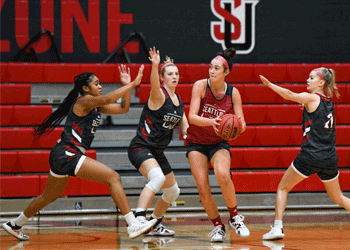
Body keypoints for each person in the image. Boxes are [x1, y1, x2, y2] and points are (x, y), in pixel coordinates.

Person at [2, 65, 157, 241]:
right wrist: (133, 84)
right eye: (96, 83)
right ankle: (132, 223)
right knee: (113, 178)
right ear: (85, 88)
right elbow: (107, 99)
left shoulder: (96, 105)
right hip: (68, 152)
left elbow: (123, 108)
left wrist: (127, 86)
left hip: (62, 153)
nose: (100, 86)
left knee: (49, 196)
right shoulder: (84, 101)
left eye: (100, 84)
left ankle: (15, 224)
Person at [260, 67, 350, 240]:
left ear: (321, 82)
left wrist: (270, 85)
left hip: (311, 155)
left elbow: (289, 94)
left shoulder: (311, 98)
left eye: (311, 78)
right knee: (338, 197)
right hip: (329, 157)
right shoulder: (328, 100)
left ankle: (277, 227)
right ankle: (277, 227)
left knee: (283, 188)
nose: (307, 80)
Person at [185, 48, 250, 243]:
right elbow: (192, 117)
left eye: (216, 68)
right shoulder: (200, 86)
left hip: (218, 142)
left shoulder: (233, 92)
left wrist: (238, 127)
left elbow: (242, 122)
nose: (211, 71)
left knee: (223, 175)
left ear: (226, 72)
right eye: (210, 67)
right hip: (196, 141)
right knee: (203, 186)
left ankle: (235, 217)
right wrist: (212, 122)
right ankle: (217, 226)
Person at [128, 47, 189, 236]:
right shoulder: (159, 94)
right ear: (163, 77)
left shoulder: (178, 100)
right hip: (141, 146)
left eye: (176, 73)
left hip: (157, 152)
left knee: (173, 192)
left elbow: (186, 129)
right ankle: (138, 219)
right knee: (158, 178)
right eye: (170, 74)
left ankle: (155, 224)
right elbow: (153, 84)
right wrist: (154, 66)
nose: (174, 76)